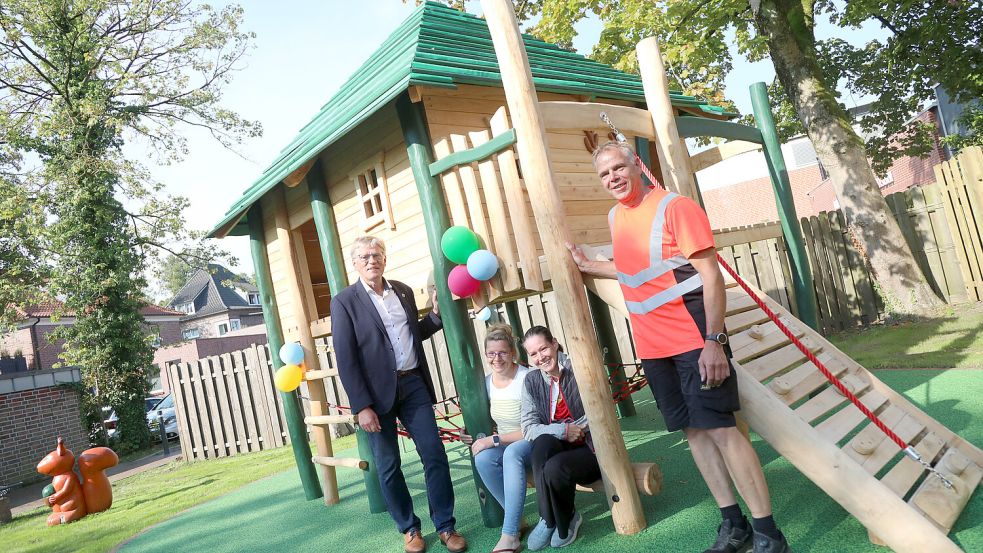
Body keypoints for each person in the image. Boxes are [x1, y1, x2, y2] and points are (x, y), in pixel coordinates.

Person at [567, 141, 791, 553]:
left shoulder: (676, 207)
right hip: (654, 349)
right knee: (694, 434)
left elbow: (711, 276)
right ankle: (733, 525)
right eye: (604, 174)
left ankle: (768, 533)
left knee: (723, 432)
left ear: (637, 166)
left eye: (619, 168)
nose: (613, 177)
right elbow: (637, 272)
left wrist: (714, 342)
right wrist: (591, 265)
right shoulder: (616, 216)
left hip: (694, 342)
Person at [331, 235, 466, 553]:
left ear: (385, 259)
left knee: (434, 454)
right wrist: (361, 405)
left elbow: (410, 334)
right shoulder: (344, 302)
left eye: (376, 254)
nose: (370, 260)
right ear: (355, 264)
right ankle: (410, 529)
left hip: (413, 384)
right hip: (375, 398)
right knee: (389, 465)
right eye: (363, 256)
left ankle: (446, 526)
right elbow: (346, 358)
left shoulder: (402, 291)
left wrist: (433, 318)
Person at [520, 325, 599, 551]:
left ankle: (567, 522)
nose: (540, 357)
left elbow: (599, 412)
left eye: (543, 349)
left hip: (591, 447)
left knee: (554, 467)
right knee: (542, 443)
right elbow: (528, 428)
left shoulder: (579, 366)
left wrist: (576, 428)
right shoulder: (532, 380)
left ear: (554, 343)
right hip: (558, 444)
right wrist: (562, 431)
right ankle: (548, 519)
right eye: (533, 354)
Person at [461, 323, 532, 553]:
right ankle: (518, 520)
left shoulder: (526, 378)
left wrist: (492, 440)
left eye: (502, 352)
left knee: (511, 452)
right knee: (482, 459)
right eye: (491, 354)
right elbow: (486, 421)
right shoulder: (487, 383)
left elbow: (533, 428)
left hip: (531, 442)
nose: (497, 358)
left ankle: (510, 534)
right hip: (506, 443)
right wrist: (468, 430)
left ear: (513, 353)